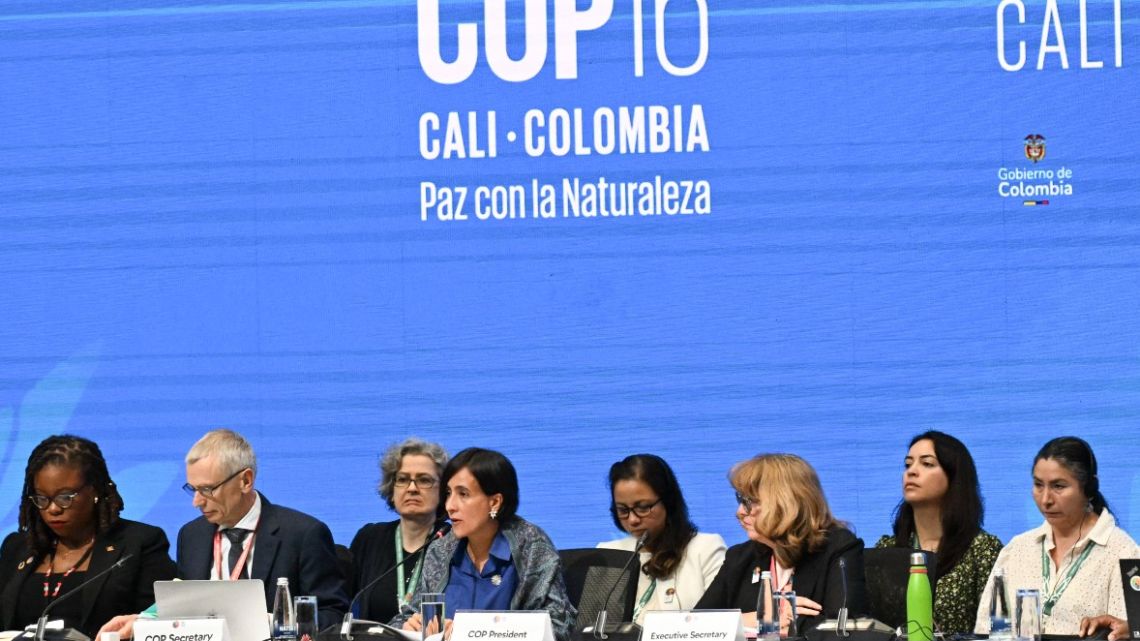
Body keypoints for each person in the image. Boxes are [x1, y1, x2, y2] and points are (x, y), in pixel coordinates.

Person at [99, 429, 350, 637]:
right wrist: (143, 622)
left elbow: (332, 616)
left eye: (207, 490)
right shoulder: (191, 536)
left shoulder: (302, 533)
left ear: (245, 481)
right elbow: (182, 611)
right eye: (192, 489)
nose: (196, 502)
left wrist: (274, 622)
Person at [0, 435, 176, 638]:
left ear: (95, 490)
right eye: (41, 498)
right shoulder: (17, 548)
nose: (53, 508)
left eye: (65, 497)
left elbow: (163, 622)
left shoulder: (138, 544)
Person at [394, 448, 576, 641]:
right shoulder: (441, 550)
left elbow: (558, 625)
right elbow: (406, 617)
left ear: (495, 502)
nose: (449, 506)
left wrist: (468, 633)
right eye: (448, 493)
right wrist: (409, 627)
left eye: (463, 494)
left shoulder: (531, 547)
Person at [974, 437, 1140, 634]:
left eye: (1058, 486)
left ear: (1088, 488)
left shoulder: (1123, 554)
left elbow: (1126, 631)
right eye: (1038, 485)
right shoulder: (1017, 549)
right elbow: (986, 629)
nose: (1045, 500)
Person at [696, 453, 865, 635]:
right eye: (740, 500)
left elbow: (847, 629)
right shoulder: (740, 557)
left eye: (748, 502)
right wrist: (761, 619)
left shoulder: (838, 548)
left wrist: (794, 626)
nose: (739, 512)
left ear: (785, 502)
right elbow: (693, 626)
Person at [875, 431, 1003, 633]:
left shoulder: (982, 549)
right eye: (908, 464)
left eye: (927, 464)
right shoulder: (887, 548)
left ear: (954, 477)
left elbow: (995, 630)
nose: (912, 472)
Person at [597, 454, 725, 623]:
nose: (633, 519)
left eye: (642, 508)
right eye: (623, 510)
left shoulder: (705, 548)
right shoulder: (608, 554)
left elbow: (721, 623)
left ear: (668, 502)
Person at [349, 438, 449, 623]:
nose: (412, 488)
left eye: (424, 480)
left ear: (443, 491)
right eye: (402, 480)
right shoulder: (369, 538)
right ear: (391, 488)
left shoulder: (453, 542)